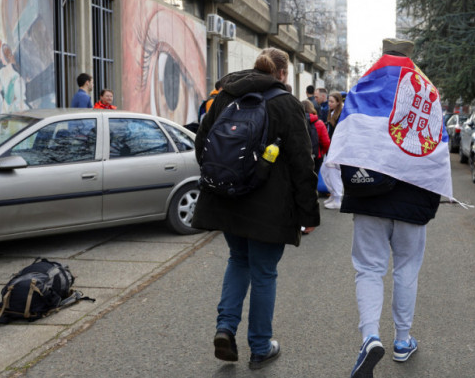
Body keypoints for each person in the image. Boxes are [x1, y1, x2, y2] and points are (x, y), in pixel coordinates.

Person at [326, 38, 452, 378]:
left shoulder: (363, 86)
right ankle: (402, 340)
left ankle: (370, 337)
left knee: (368, 268)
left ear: (384, 53)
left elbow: (346, 134)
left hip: (369, 195)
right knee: (406, 269)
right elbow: (438, 144)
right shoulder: (426, 91)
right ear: (410, 56)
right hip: (413, 198)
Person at [191, 47, 320, 371]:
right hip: (269, 209)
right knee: (264, 273)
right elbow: (303, 164)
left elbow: (201, 145)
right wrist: (308, 214)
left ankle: (225, 329)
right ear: (282, 74)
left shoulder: (224, 97)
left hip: (228, 202)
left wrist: (226, 181)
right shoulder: (287, 105)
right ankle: (260, 347)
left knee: (238, 261)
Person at [301, 99, 330, 174]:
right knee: (315, 177)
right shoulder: (319, 123)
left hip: (301, 155)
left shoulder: (297, 122)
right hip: (316, 155)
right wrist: (321, 152)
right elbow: (326, 142)